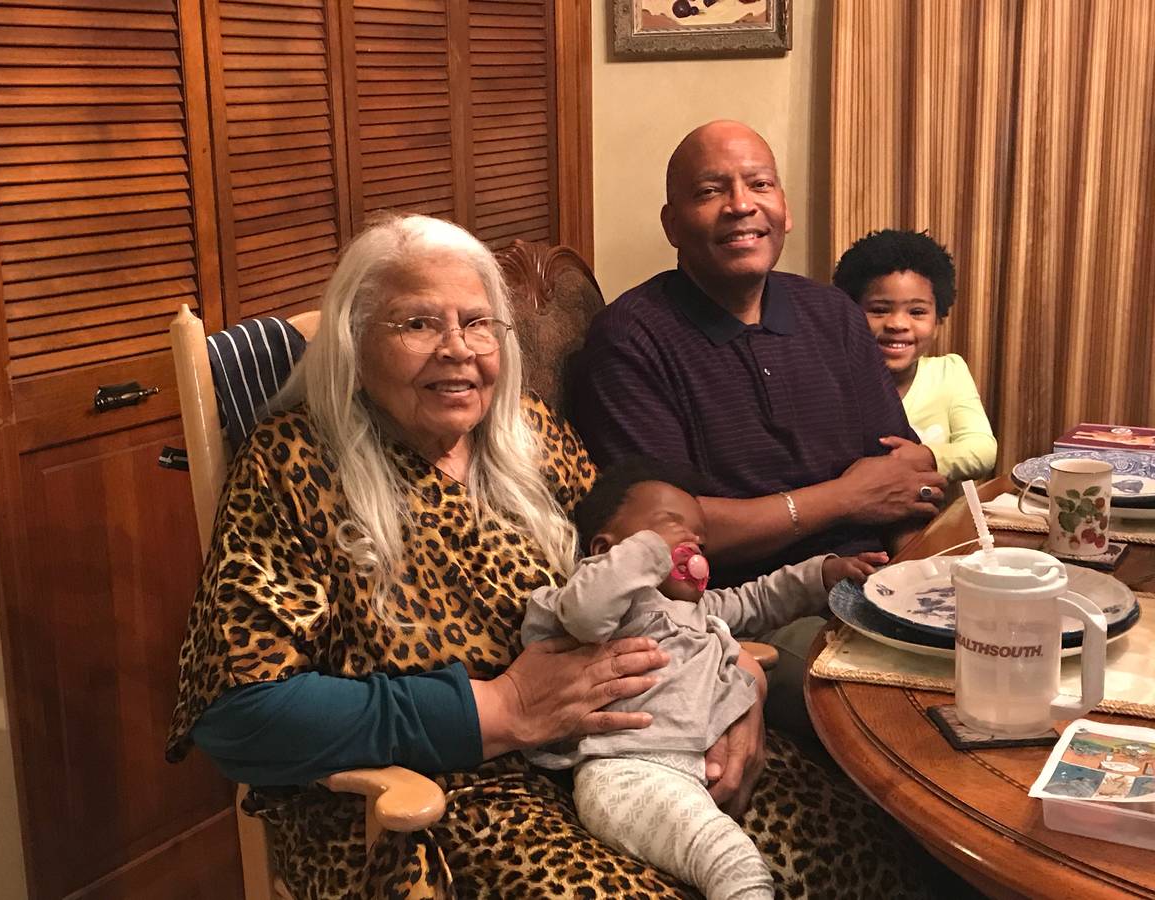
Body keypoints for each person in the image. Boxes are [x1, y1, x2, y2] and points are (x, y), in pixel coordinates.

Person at [167, 213, 939, 898]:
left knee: (863, 846)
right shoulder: (292, 464)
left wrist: (730, 678)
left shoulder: (526, 434)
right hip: (446, 796)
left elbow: (650, 576)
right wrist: (497, 708)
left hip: (632, 743)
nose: (457, 350)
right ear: (353, 342)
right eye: (417, 324)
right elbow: (238, 716)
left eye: (478, 324)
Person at [567, 121, 947, 724]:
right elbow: (669, 536)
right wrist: (848, 497)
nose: (741, 205)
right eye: (710, 191)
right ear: (672, 223)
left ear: (784, 209)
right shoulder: (632, 341)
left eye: (759, 184)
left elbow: (912, 475)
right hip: (745, 616)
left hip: (876, 580)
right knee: (914, 705)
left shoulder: (832, 314)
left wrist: (914, 578)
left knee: (1019, 642)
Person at [521, 459, 885, 900]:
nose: (693, 542)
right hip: (626, 773)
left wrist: (819, 575)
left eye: (700, 539)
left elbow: (758, 599)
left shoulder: (700, 611)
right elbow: (586, 614)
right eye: (670, 525)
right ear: (607, 547)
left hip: (689, 775)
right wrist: (647, 552)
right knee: (737, 869)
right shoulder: (606, 601)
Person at [833, 229, 997, 482]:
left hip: (943, 522)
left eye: (917, 311)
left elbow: (982, 449)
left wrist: (928, 457)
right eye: (879, 310)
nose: (898, 324)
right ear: (849, 315)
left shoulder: (948, 373)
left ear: (938, 319)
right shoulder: (833, 381)